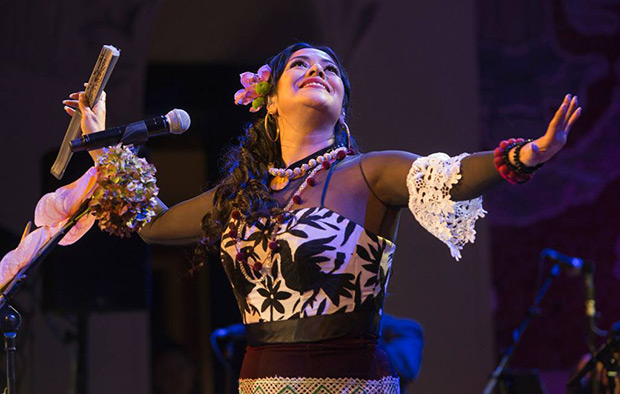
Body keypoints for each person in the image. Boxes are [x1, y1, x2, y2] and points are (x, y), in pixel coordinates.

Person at [63, 42, 581, 393]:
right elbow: (153, 225)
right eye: (302, 66)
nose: (318, 71)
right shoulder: (240, 196)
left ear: (341, 107)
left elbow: (447, 175)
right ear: (269, 105)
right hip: (261, 383)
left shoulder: (370, 174)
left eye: (330, 69)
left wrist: (522, 156)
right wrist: (105, 148)